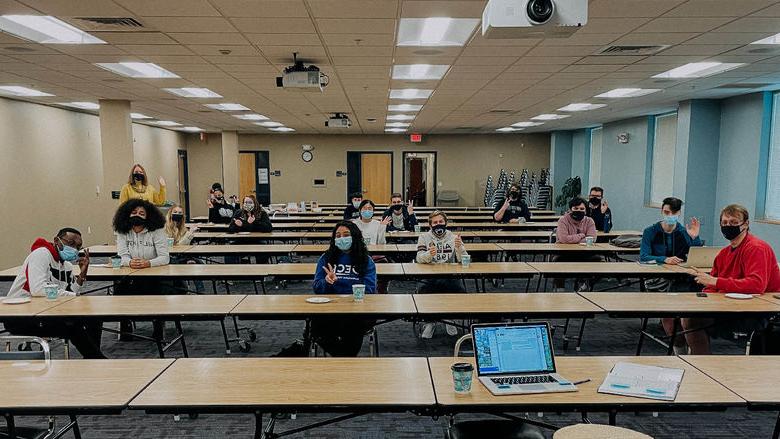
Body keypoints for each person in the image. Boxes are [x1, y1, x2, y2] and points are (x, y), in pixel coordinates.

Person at [671, 204, 780, 355]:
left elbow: (756, 285)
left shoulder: (756, 248)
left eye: (734, 222)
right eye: (725, 223)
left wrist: (715, 282)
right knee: (672, 315)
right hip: (727, 305)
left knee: (691, 320)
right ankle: (683, 356)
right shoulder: (723, 254)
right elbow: (711, 285)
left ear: (746, 224)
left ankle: (701, 366)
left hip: (756, 311)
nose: (728, 226)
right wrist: (704, 298)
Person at [276, 221, 377, 357]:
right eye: (338, 235)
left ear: (355, 236)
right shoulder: (326, 258)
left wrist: (342, 286)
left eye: (346, 235)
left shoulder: (366, 261)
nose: (342, 238)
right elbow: (317, 287)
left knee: (353, 328)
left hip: (357, 310)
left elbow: (370, 289)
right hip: (330, 308)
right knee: (317, 328)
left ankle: (342, 361)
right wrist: (327, 282)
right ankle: (345, 361)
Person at [4, 228, 105, 359]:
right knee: (73, 325)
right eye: (71, 243)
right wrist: (73, 297)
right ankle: (97, 360)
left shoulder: (66, 265)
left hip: (47, 311)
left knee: (94, 317)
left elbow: (68, 293)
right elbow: (38, 289)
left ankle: (92, 360)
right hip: (21, 315)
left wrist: (81, 275)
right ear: (56, 240)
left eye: (78, 246)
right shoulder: (41, 254)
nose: (74, 249)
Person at [113, 199, 170, 340]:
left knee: (154, 288)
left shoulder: (157, 231)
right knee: (119, 287)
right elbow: (122, 255)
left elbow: (164, 257)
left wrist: (148, 263)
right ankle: (125, 324)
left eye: (141, 213)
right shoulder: (122, 231)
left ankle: (158, 324)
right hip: (130, 271)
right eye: (133, 212)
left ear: (148, 216)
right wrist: (130, 262)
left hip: (153, 272)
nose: (137, 215)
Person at [415, 211, 468, 339]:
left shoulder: (454, 237)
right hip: (429, 274)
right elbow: (419, 258)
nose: (438, 224)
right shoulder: (424, 237)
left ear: (445, 223)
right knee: (424, 290)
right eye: (435, 222)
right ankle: (430, 321)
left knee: (459, 290)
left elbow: (464, 260)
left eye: (440, 222)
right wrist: (429, 254)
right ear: (430, 225)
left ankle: (450, 318)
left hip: (450, 274)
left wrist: (460, 248)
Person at [640, 197, 702, 291]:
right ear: (661, 211)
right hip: (657, 274)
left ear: (679, 213)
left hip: (681, 275)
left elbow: (697, 257)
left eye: (674, 213)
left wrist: (695, 237)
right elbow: (644, 256)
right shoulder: (650, 231)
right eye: (666, 212)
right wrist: (665, 259)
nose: (670, 215)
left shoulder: (684, 231)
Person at [553, 197, 600, 290]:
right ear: (570, 209)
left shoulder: (589, 221)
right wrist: (582, 236)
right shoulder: (563, 220)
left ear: (586, 211)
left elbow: (592, 238)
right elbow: (563, 239)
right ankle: (559, 288)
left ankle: (585, 285)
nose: (579, 211)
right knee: (557, 262)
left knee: (601, 262)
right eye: (576, 208)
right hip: (565, 253)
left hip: (584, 253)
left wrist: (573, 239)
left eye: (582, 209)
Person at [164, 205, 204, 293]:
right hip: (170, 258)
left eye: (180, 213)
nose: (177, 214)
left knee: (198, 262)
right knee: (186, 264)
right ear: (170, 214)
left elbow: (185, 247)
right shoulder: (164, 228)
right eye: (175, 212)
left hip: (181, 256)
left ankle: (201, 292)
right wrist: (190, 233)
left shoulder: (183, 228)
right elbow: (176, 246)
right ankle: (184, 289)